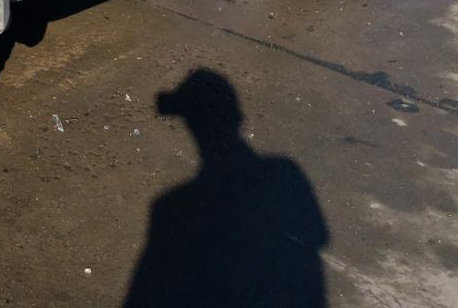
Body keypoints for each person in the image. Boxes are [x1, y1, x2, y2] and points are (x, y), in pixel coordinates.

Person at [124, 69, 329, 308]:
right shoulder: (286, 173)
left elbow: (144, 296)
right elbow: (317, 235)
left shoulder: (175, 207)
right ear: (237, 119)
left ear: (192, 127)